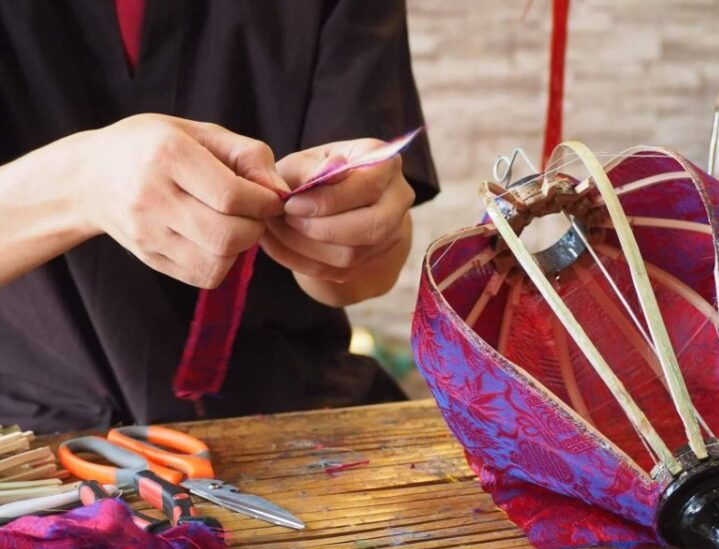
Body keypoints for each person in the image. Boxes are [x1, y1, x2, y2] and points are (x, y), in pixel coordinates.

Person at [0, 1, 438, 432]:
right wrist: (82, 181)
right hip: (32, 440)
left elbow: (363, 275)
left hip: (290, 415)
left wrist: (354, 235)